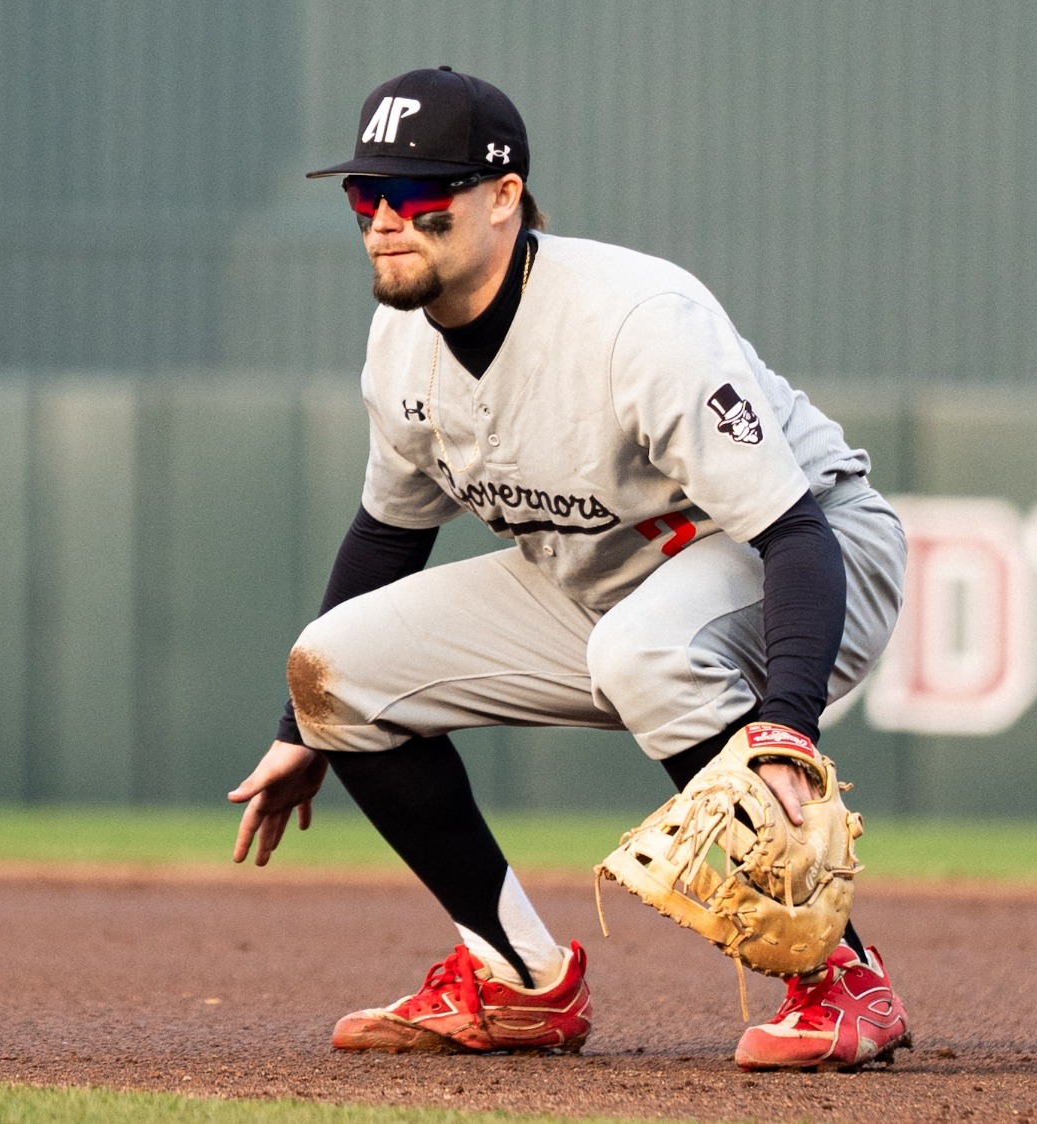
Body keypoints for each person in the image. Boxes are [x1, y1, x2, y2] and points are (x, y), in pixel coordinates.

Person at [229, 67, 910, 1071]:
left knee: (645, 650)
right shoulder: (399, 342)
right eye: (362, 195)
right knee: (332, 665)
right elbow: (387, 533)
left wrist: (786, 726)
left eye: (418, 198)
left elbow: (792, 530)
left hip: (815, 552)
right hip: (600, 575)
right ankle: (515, 977)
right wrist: (306, 727)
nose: (382, 220)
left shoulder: (637, 319)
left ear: (503, 198)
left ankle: (841, 976)